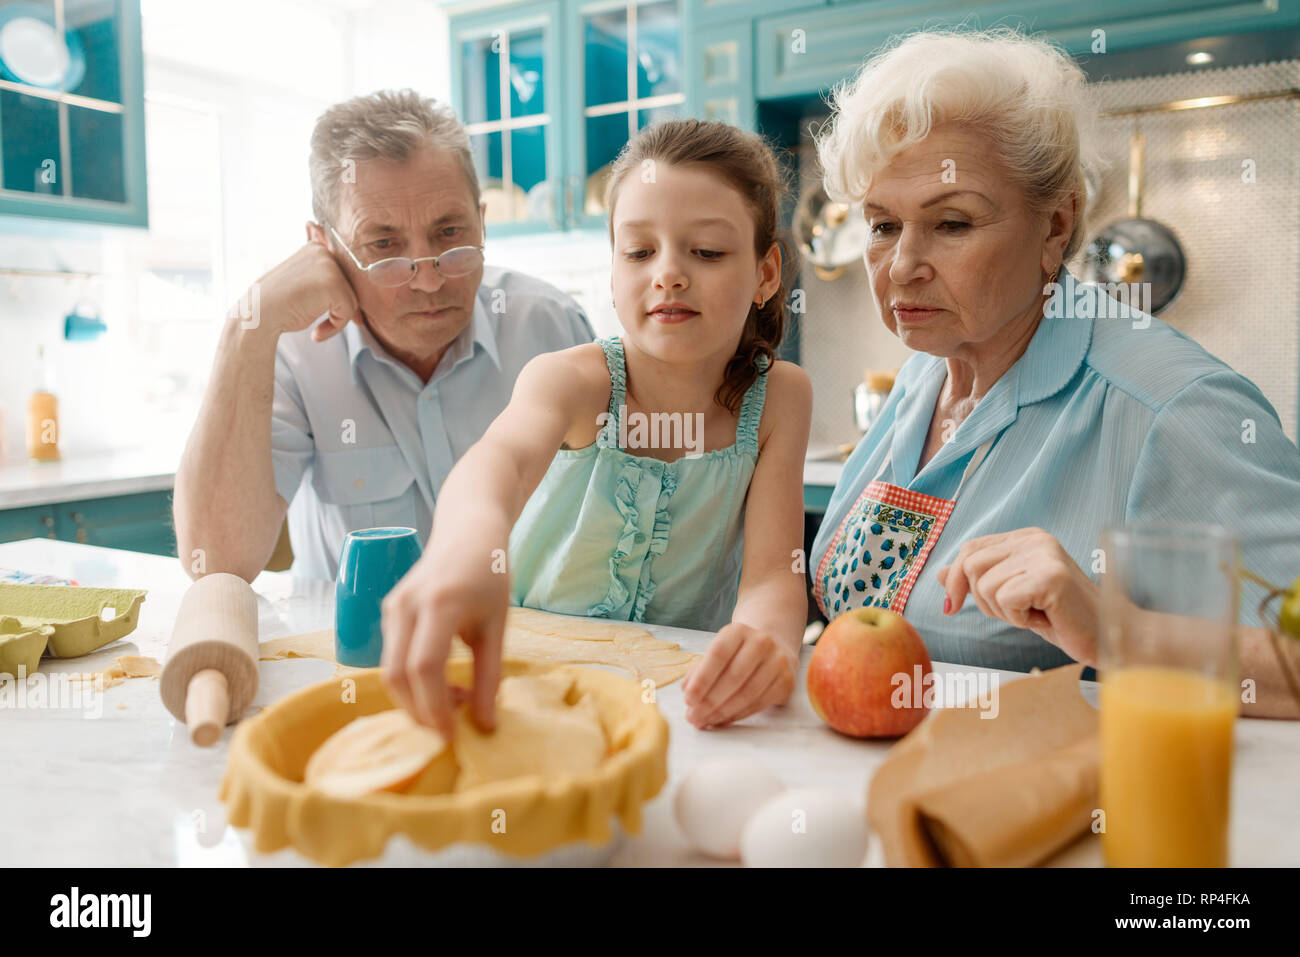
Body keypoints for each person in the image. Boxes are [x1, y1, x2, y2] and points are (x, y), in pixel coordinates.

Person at [810, 29, 1300, 717]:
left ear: (1055, 226)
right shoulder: (930, 372)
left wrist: (1117, 632)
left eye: (951, 223)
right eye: (883, 224)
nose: (902, 266)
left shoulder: (1169, 408)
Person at [381, 120, 813, 736]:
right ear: (613, 274)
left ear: (767, 273)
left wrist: (763, 641)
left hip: (678, 698)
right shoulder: (571, 381)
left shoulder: (780, 398)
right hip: (523, 675)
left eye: (707, 252)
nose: (668, 273)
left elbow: (775, 572)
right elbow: (497, 462)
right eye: (639, 252)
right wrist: (467, 546)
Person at [174, 90, 593, 582]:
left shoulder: (552, 326)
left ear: (481, 221)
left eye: (450, 233)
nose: (430, 279)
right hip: (357, 655)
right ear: (322, 246)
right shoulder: (290, 354)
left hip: (539, 650)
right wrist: (246, 329)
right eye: (383, 245)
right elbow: (218, 562)